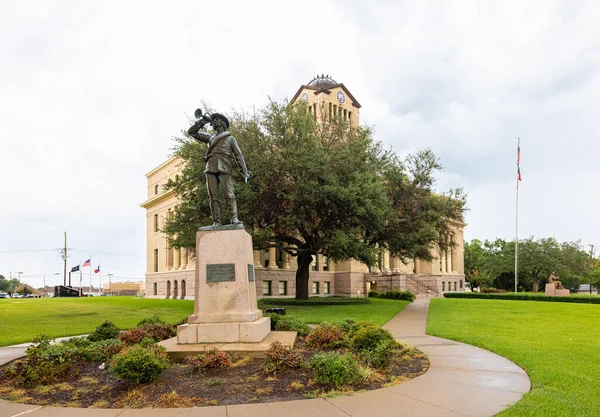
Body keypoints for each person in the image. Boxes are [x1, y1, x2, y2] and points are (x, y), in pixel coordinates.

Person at [187, 113, 250, 227]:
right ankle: (216, 220)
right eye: (213, 120)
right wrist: (202, 121)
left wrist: (245, 172)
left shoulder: (230, 138)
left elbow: (238, 156)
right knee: (213, 196)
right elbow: (192, 132)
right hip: (210, 167)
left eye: (217, 119)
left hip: (225, 166)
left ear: (223, 123)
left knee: (229, 193)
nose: (214, 121)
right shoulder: (209, 138)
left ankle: (234, 218)